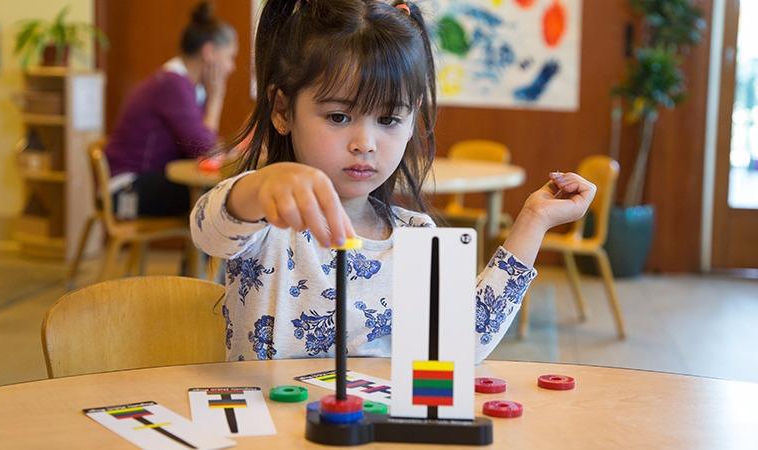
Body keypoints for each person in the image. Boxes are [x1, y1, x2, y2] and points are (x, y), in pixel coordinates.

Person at [191, 0, 596, 363]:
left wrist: (533, 221)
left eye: (388, 120)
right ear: (282, 110)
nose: (365, 143)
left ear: (412, 119)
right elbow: (209, 229)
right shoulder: (266, 219)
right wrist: (259, 188)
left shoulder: (416, 234)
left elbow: (459, 343)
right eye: (338, 117)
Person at [105, 2, 238, 218]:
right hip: (126, 191)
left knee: (220, 192)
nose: (231, 67)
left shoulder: (184, 86)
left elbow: (202, 144)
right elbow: (204, 149)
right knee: (219, 195)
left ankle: (201, 253)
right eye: (230, 56)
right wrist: (216, 98)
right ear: (209, 52)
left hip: (141, 183)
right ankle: (209, 253)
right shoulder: (172, 84)